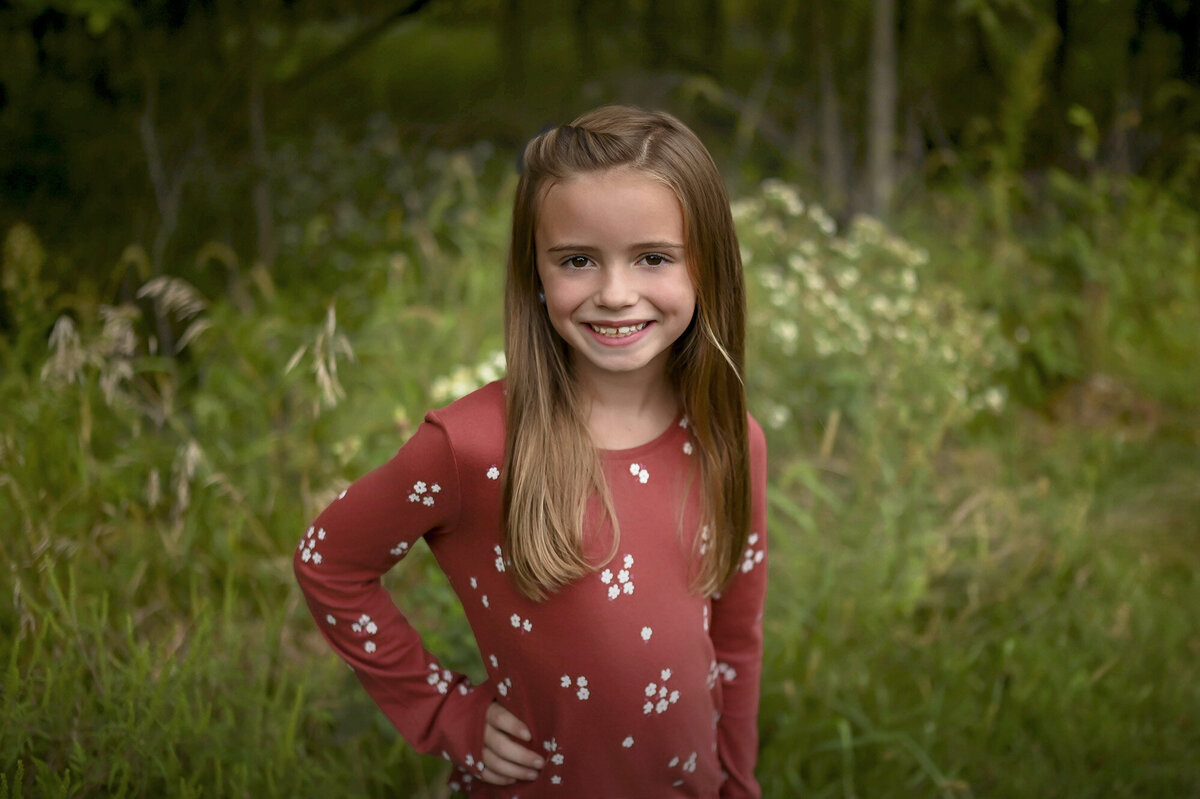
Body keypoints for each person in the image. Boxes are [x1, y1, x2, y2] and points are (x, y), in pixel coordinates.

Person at [294, 106, 768, 798]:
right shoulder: (472, 445)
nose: (614, 293)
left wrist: (739, 782)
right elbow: (329, 560)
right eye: (577, 259)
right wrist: (441, 708)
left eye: (653, 257)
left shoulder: (731, 438)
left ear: (709, 267)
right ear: (535, 273)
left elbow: (735, 641)